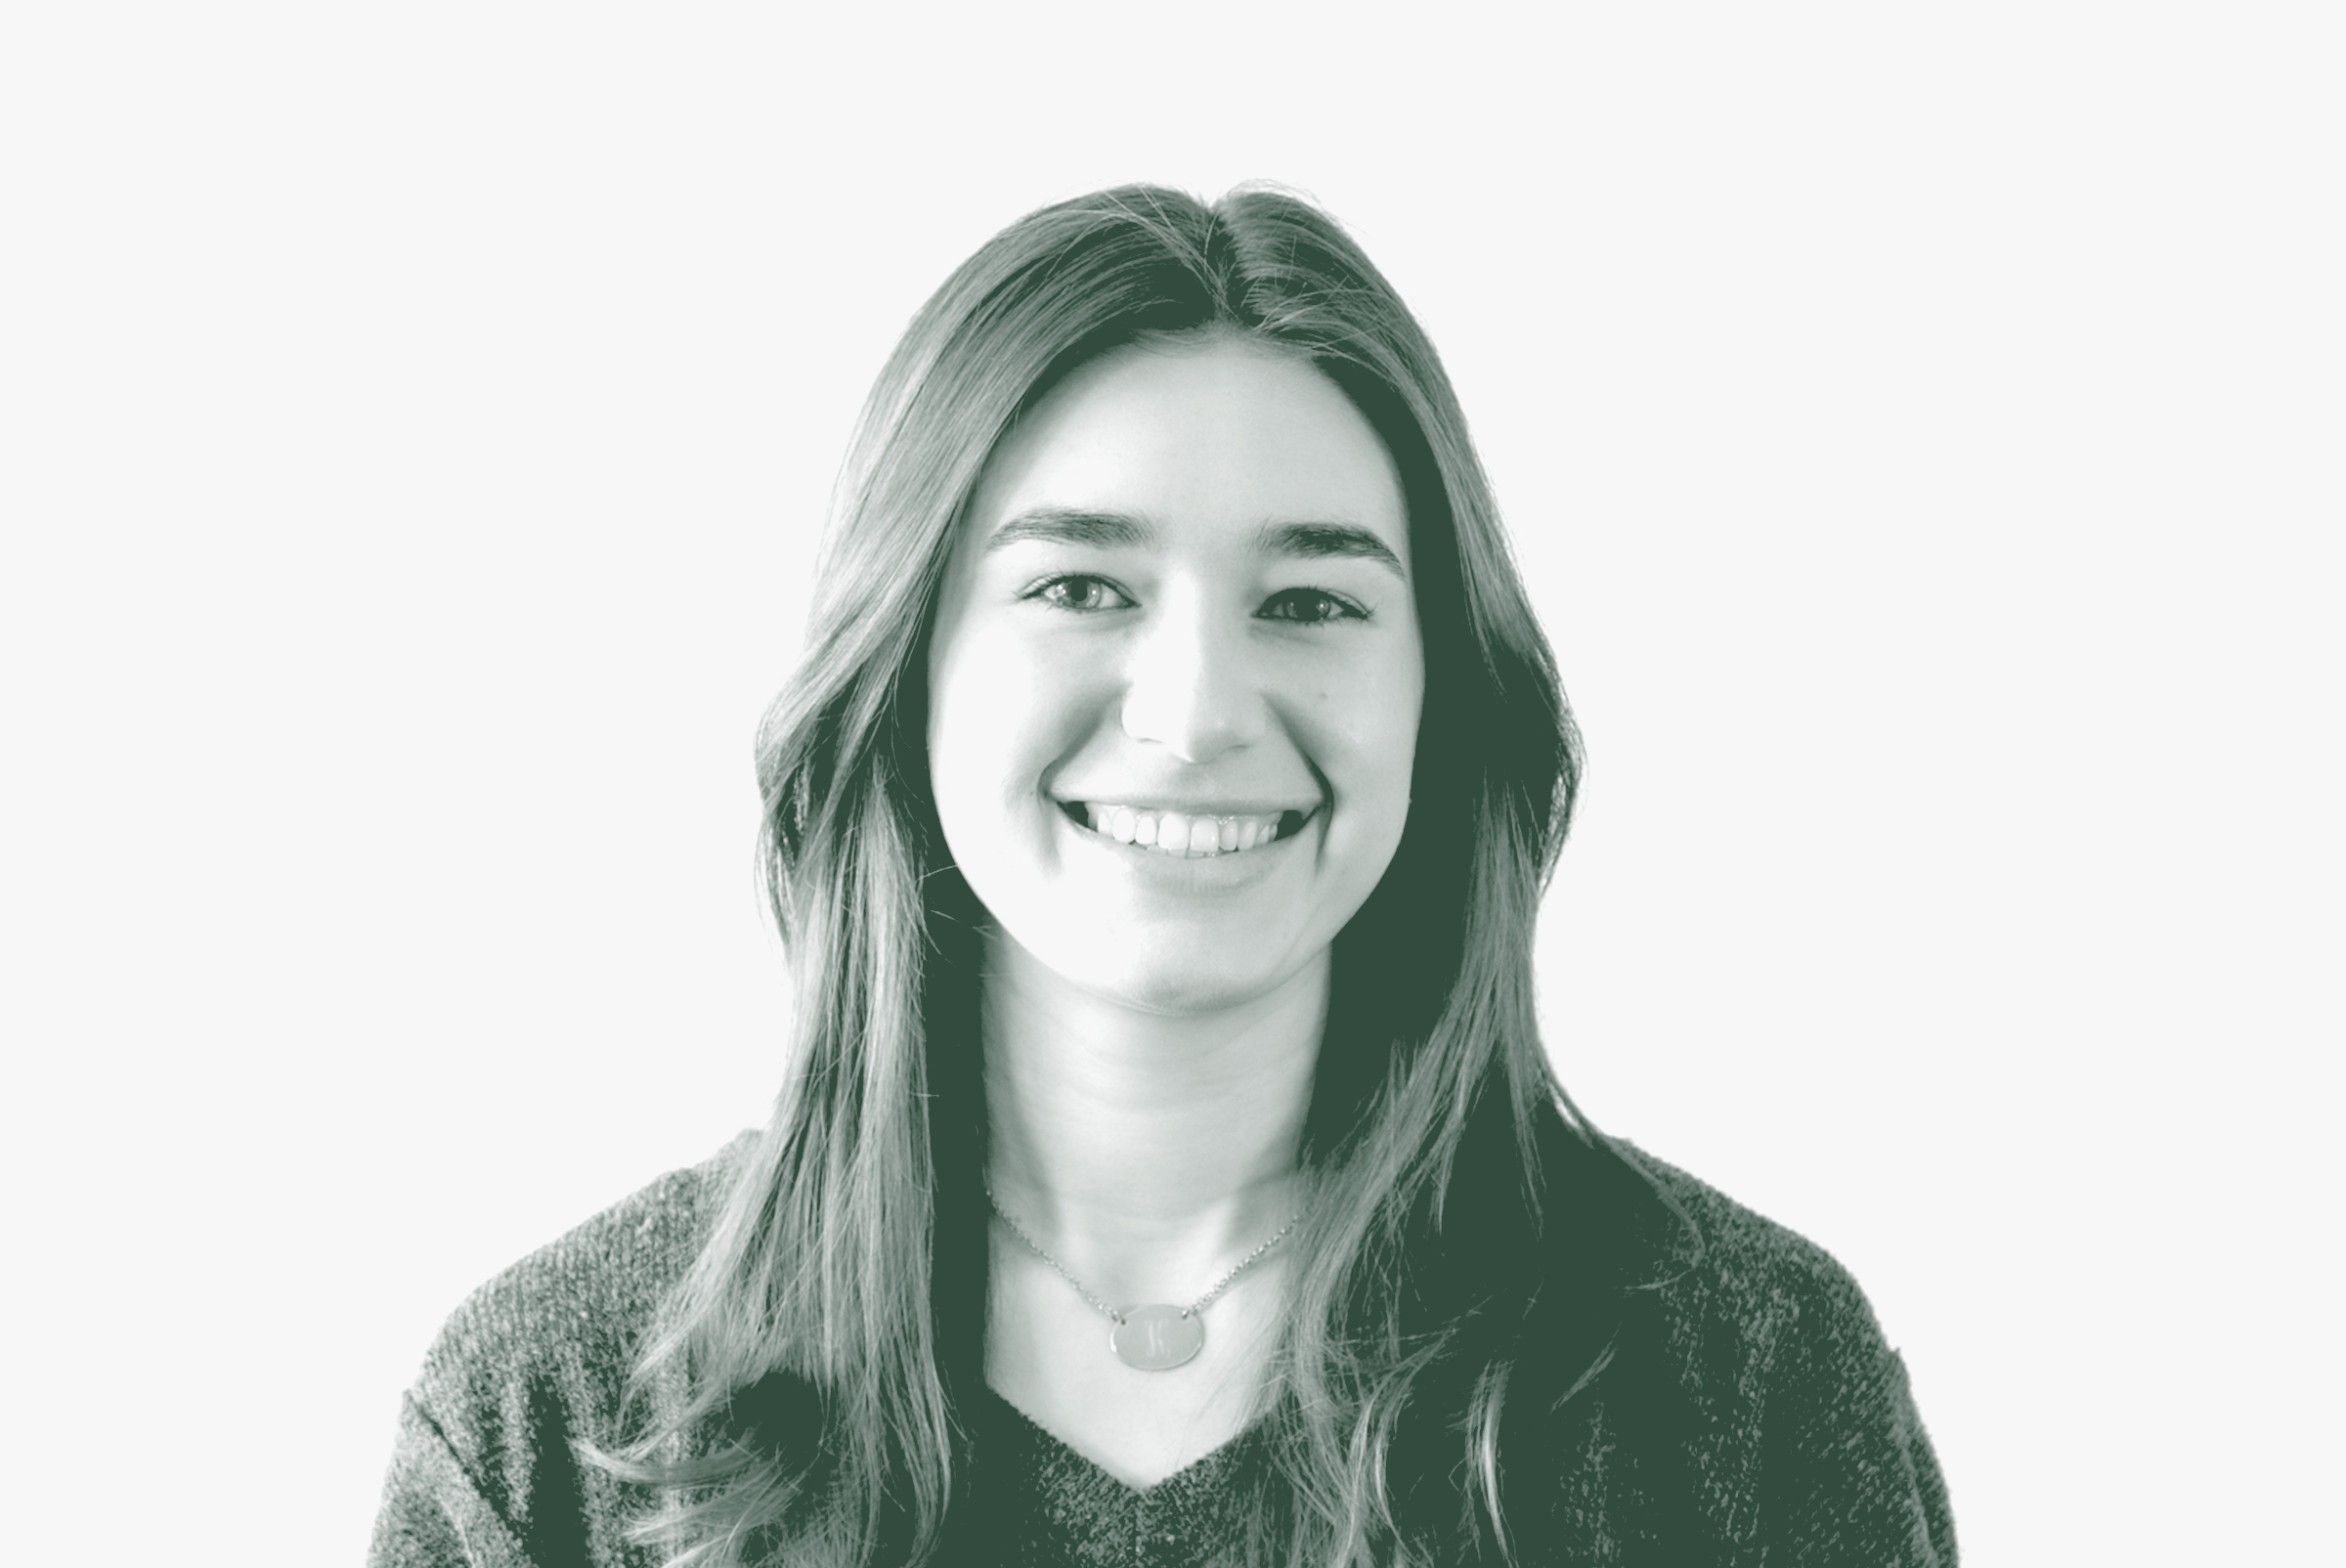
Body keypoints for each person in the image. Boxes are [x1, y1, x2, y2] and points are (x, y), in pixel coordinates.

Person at [369, 185, 1956, 1567]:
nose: (1194, 714)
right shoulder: (558, 1419)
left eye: (1313, 603)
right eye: (1081, 585)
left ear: (1443, 698)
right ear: (905, 668)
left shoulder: (1748, 1378)